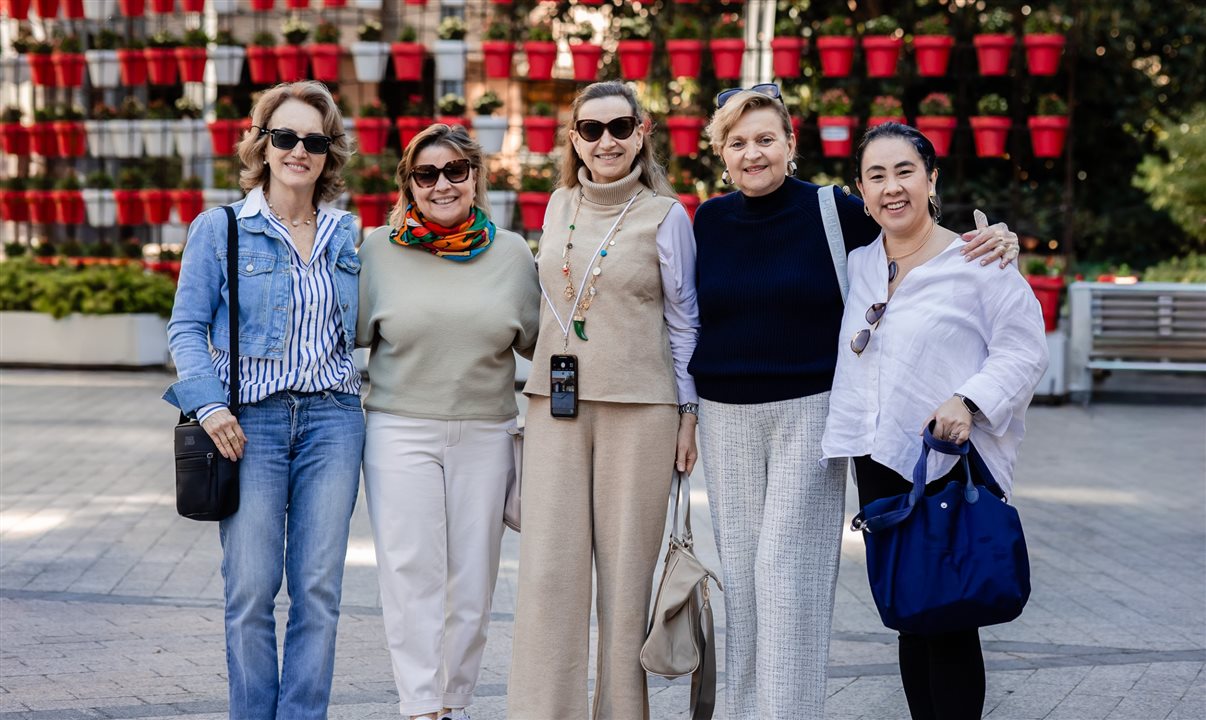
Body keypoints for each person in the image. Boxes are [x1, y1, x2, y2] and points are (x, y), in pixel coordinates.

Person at [688, 86, 1021, 719]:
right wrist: (684, 412)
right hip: (723, 417)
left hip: (811, 413)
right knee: (745, 585)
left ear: (791, 143)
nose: (752, 153)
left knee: (787, 579)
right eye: (737, 142)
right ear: (721, 154)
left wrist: (999, 238)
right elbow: (684, 320)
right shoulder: (707, 220)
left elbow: (919, 227)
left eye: (766, 138)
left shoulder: (832, 210)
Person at [822, 122, 1048, 719]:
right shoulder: (859, 264)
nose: (892, 188)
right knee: (909, 613)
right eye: (877, 176)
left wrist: (968, 400)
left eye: (905, 172)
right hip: (877, 461)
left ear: (931, 180)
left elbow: (1025, 349)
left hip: (947, 458)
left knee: (948, 621)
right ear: (861, 192)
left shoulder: (977, 261)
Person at [163, 80, 362, 720]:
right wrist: (210, 404)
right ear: (262, 144)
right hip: (250, 426)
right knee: (250, 590)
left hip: (334, 421)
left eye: (313, 140)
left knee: (318, 590)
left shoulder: (348, 236)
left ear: (329, 153)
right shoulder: (221, 228)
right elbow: (186, 326)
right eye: (285, 137)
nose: (298, 151)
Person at [506, 80, 700, 720]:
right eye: (591, 130)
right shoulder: (557, 203)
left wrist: (688, 414)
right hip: (554, 406)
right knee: (548, 575)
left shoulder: (667, 216)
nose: (606, 141)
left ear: (643, 132)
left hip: (642, 413)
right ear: (574, 140)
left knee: (625, 581)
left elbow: (684, 323)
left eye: (619, 127)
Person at [357, 124, 539, 720]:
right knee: (411, 574)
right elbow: (343, 336)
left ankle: (454, 703)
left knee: (473, 580)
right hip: (398, 429)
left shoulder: (512, 253)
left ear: (475, 177)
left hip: (486, 431)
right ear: (409, 184)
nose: (442, 184)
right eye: (426, 174)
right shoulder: (377, 250)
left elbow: (546, 343)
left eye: (455, 170)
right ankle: (419, 706)